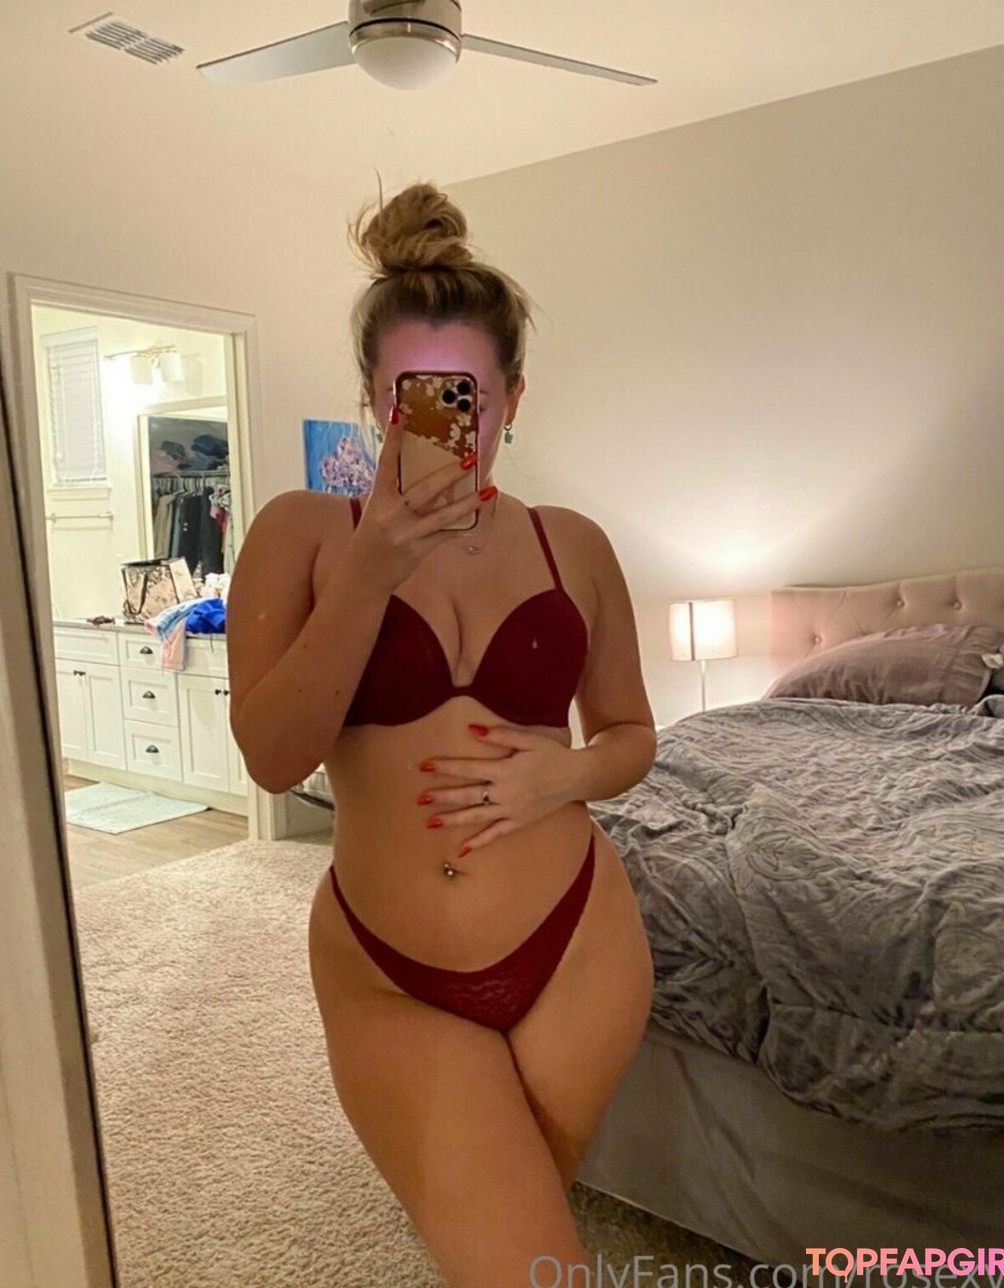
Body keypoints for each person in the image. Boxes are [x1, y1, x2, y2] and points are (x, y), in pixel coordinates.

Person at [227, 182, 657, 1287]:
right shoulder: (302, 534)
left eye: (468, 396)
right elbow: (272, 758)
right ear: (374, 401)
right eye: (410, 397)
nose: (443, 425)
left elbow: (631, 735)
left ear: (515, 396)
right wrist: (371, 571)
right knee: (523, 1258)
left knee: (516, 1244)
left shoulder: (573, 545)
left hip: (580, 947)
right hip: (390, 966)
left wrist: (559, 776)